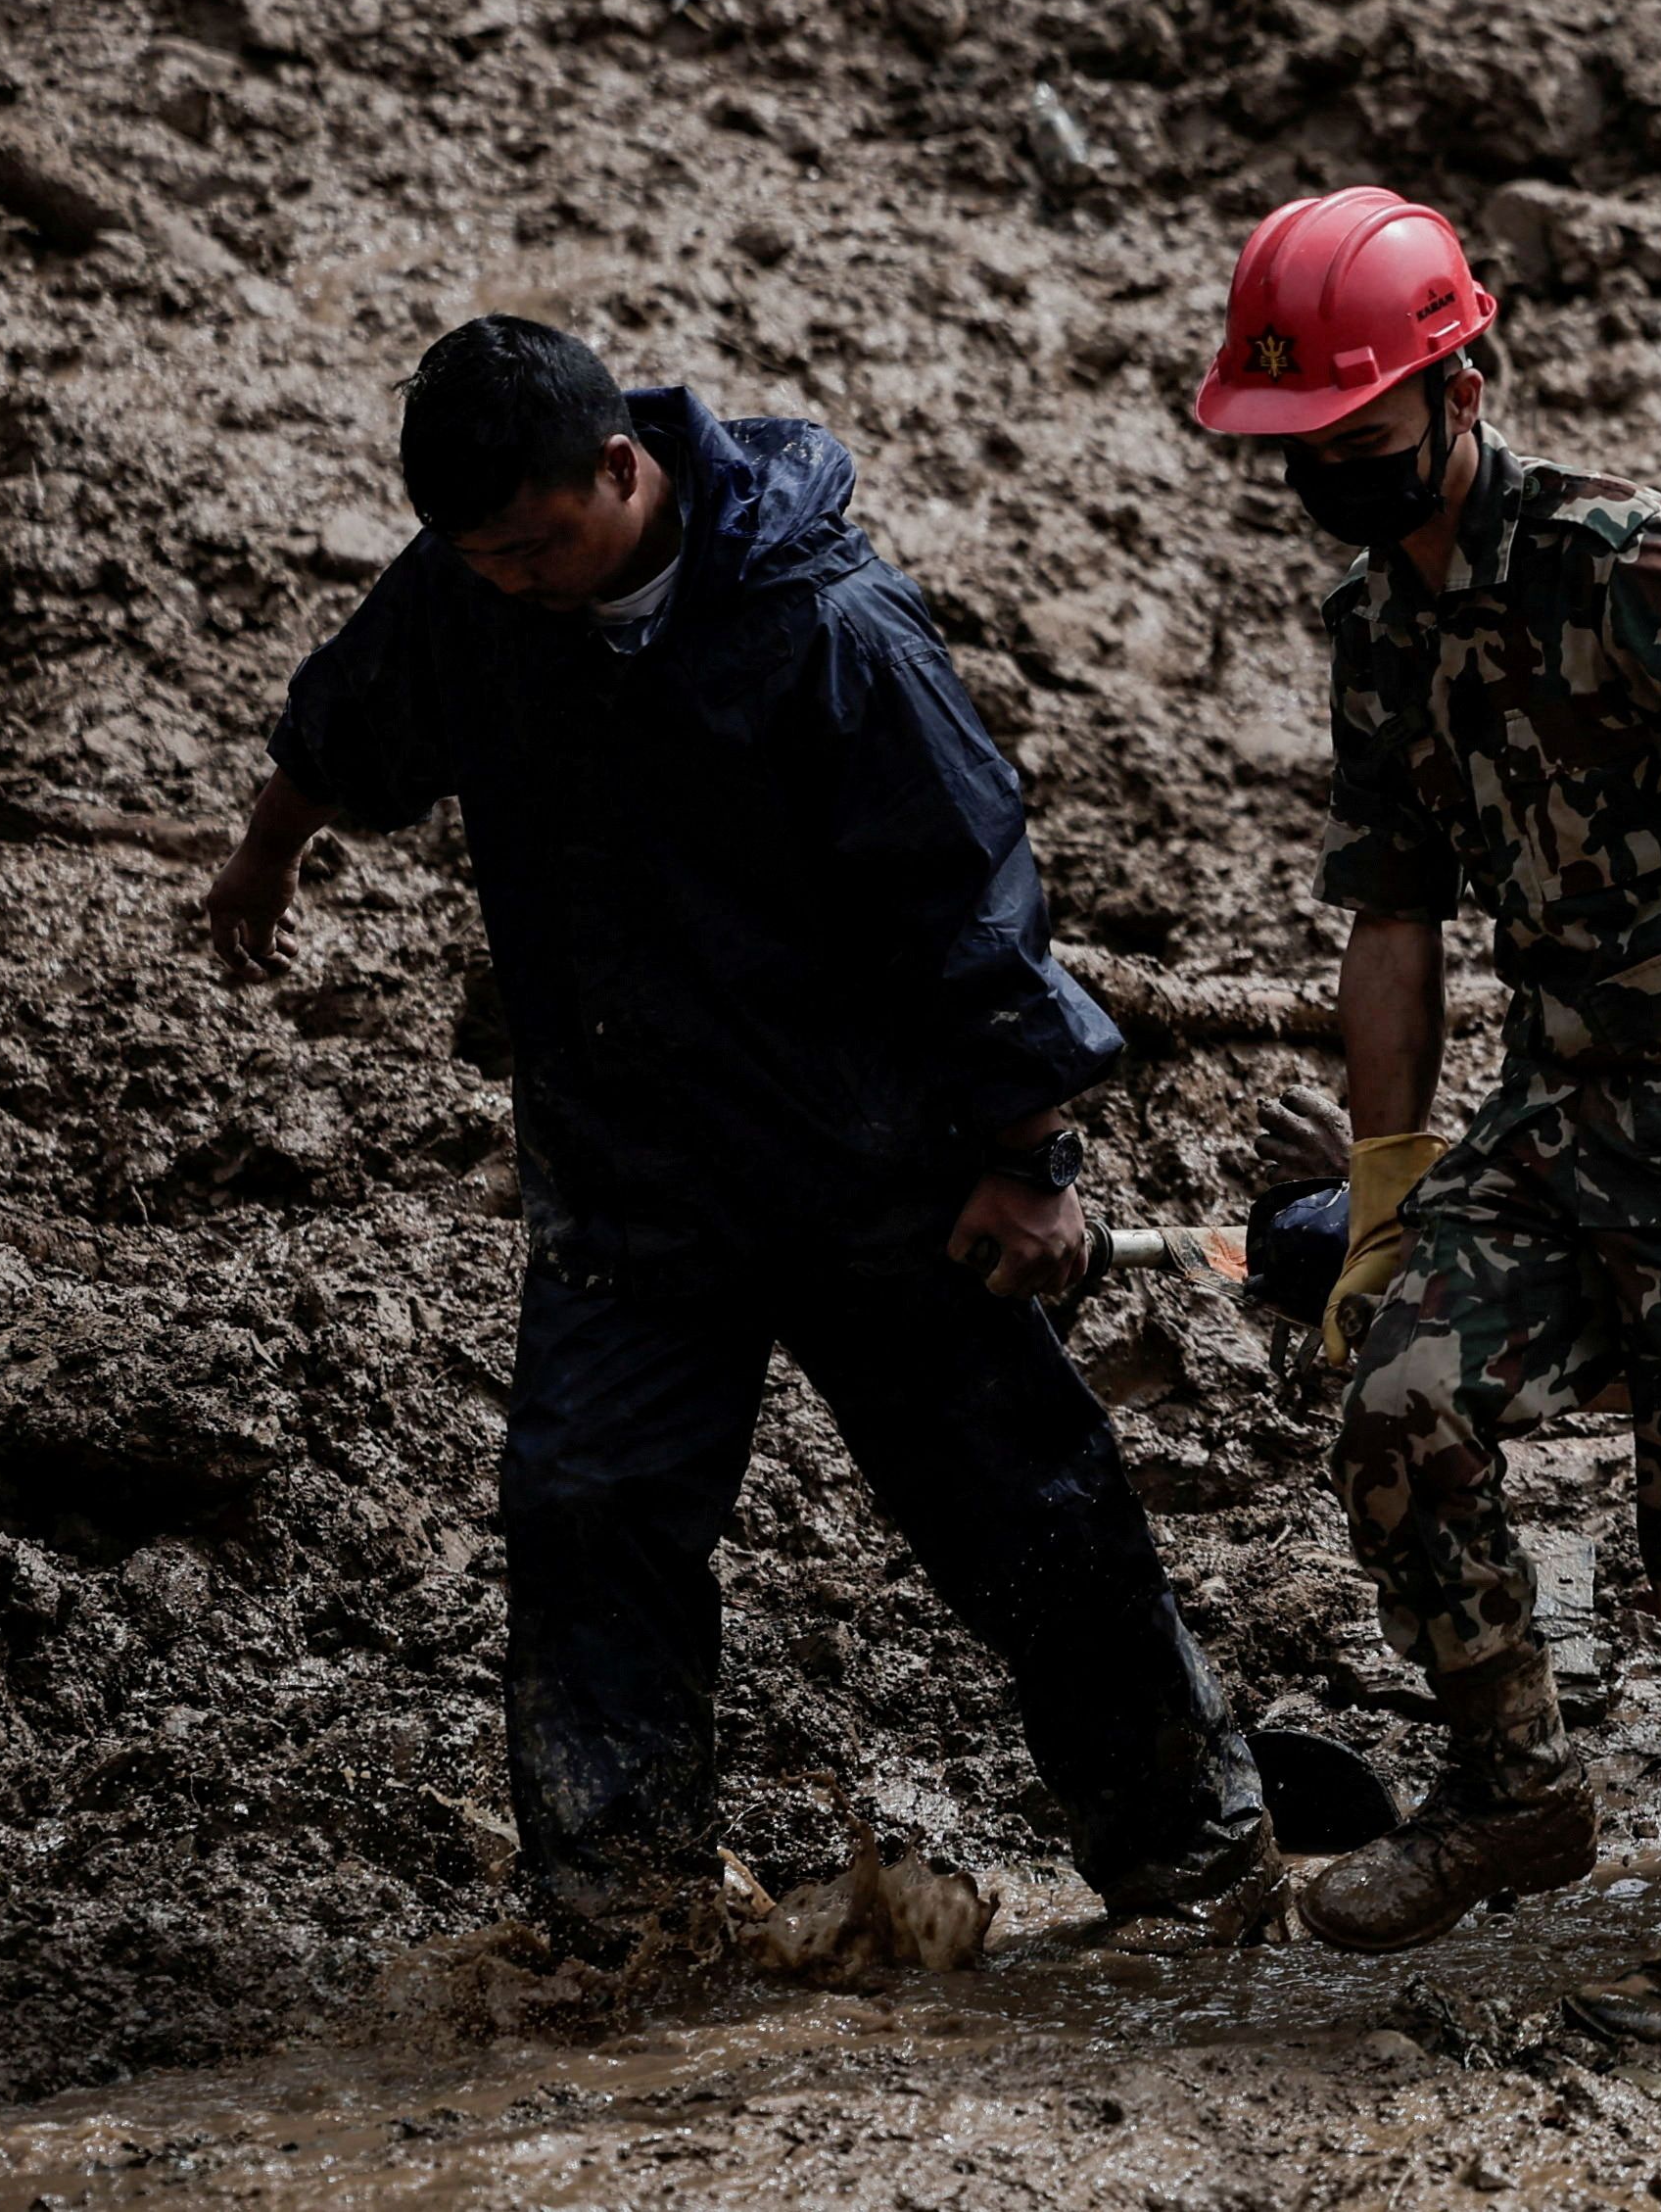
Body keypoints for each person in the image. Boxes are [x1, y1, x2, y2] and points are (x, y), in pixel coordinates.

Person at [202, 317, 1257, 1950]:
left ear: (621, 471)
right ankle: (622, 1922)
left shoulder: (830, 632)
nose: (509, 583)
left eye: (535, 549)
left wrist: (1029, 1159)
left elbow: (972, 903)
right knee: (586, 1518)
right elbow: (350, 722)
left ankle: (1191, 1857)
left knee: (1029, 1514)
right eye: (476, 558)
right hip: (631, 1183)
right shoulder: (472, 594)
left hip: (879, 1172)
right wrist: (265, 857)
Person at [1198, 188, 1661, 2046]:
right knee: (1400, 1403)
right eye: (1300, 457)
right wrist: (1382, 1182)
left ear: (1463, 380)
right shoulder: (1375, 631)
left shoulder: (1616, 560)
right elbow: (1394, 922)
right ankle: (1516, 1790)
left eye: (1355, 444)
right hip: (1567, 1109)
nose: (1332, 481)